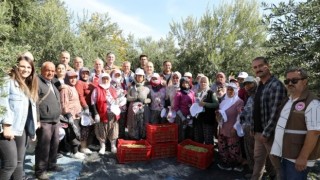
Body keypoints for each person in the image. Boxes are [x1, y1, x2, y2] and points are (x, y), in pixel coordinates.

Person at [271, 67, 320, 180]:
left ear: (305, 81)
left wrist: (303, 157)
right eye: (287, 81)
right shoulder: (289, 100)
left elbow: (314, 132)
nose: (290, 83)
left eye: (294, 80)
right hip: (284, 154)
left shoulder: (313, 103)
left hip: (297, 158)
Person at [0, 55, 38, 180]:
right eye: (22, 66)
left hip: (22, 130)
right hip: (8, 129)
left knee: (19, 163)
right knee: (10, 164)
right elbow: (3, 103)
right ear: (16, 67)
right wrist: (6, 126)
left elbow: (29, 111)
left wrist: (32, 131)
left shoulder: (27, 86)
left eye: (28, 67)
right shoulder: (7, 81)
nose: (25, 69)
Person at [251, 57, 287, 180]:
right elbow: (256, 109)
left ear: (268, 66)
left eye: (260, 66)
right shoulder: (260, 85)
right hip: (258, 133)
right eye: (255, 67)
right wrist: (253, 127)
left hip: (270, 135)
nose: (258, 69)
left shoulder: (276, 85)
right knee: (258, 161)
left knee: (278, 166)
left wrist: (266, 134)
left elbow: (276, 113)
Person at [35, 62, 63, 180]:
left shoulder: (53, 82)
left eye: (52, 70)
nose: (50, 72)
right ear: (42, 70)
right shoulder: (37, 82)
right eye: (47, 70)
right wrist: (37, 119)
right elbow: (34, 103)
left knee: (54, 144)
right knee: (43, 146)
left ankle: (52, 164)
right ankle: (40, 171)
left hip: (55, 120)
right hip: (44, 120)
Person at [91, 73, 123, 154]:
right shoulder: (96, 89)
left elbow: (117, 100)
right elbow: (93, 102)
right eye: (103, 78)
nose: (105, 80)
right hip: (102, 114)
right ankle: (103, 146)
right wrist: (96, 113)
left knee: (113, 129)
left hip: (113, 114)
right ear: (101, 79)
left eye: (107, 79)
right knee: (102, 130)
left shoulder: (112, 88)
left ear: (109, 79)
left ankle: (113, 146)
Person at [216, 82, 244, 171]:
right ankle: (226, 164)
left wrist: (235, 127)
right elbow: (220, 114)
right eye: (228, 89)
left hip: (232, 129)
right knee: (222, 146)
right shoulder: (224, 101)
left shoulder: (239, 102)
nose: (229, 91)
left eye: (232, 89)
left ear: (235, 91)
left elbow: (240, 116)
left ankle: (237, 165)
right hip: (222, 128)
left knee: (233, 147)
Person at [60, 71, 86, 159]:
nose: (73, 80)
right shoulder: (65, 88)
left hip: (76, 115)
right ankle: (74, 152)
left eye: (75, 78)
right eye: (71, 78)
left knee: (76, 132)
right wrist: (68, 115)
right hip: (70, 116)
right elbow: (64, 103)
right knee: (73, 133)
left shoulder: (73, 87)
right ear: (67, 79)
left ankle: (76, 151)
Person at [75, 67, 96, 154]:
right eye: (83, 73)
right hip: (84, 108)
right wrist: (85, 107)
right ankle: (83, 147)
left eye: (87, 73)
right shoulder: (79, 83)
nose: (85, 75)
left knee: (90, 127)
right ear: (80, 74)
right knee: (85, 128)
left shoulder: (90, 83)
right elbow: (80, 96)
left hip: (91, 108)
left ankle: (87, 145)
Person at [239, 76, 258, 173]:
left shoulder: (259, 95)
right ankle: (252, 171)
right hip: (247, 128)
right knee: (249, 151)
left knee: (257, 153)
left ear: (254, 83)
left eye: (249, 83)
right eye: (245, 84)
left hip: (256, 130)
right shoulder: (250, 96)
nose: (247, 86)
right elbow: (246, 111)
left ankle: (257, 173)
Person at [193, 76, 219, 145]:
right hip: (198, 119)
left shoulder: (211, 93)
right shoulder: (196, 92)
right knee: (198, 137)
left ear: (207, 83)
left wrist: (205, 104)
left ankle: (209, 154)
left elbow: (216, 104)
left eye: (205, 82)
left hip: (208, 119)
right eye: (201, 82)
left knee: (208, 138)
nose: (203, 83)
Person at [126, 68, 151, 140]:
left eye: (141, 76)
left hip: (144, 107)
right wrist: (134, 98)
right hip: (133, 107)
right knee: (133, 122)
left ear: (143, 77)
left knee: (143, 121)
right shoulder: (131, 87)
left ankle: (143, 136)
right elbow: (128, 98)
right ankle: (134, 136)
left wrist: (145, 100)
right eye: (138, 76)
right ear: (135, 77)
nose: (139, 78)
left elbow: (150, 99)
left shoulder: (147, 88)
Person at [174, 77, 195, 142]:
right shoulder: (179, 94)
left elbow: (194, 105)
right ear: (181, 84)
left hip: (190, 116)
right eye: (183, 83)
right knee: (182, 134)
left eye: (187, 82)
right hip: (181, 117)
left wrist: (192, 115)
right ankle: (181, 148)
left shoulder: (192, 93)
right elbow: (176, 107)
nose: (185, 84)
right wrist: (182, 117)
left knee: (190, 133)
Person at [110, 69, 127, 139]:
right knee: (113, 124)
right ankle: (112, 139)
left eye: (118, 75)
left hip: (122, 107)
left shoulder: (123, 83)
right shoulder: (109, 83)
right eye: (115, 74)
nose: (117, 76)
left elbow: (126, 93)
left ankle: (121, 139)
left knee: (121, 123)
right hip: (113, 107)